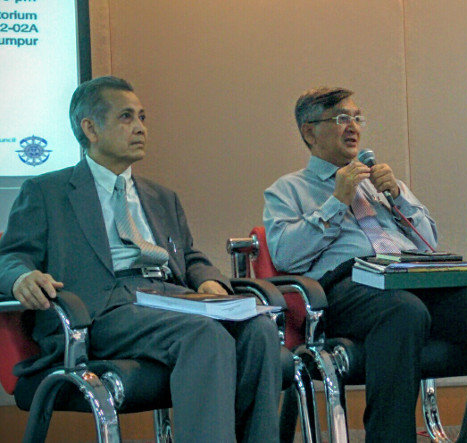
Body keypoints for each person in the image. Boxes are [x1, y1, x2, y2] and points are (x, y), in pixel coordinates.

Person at [0, 76, 281, 442]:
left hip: (169, 297)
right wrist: (22, 277)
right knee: (204, 335)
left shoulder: (161, 196)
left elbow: (190, 254)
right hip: (103, 307)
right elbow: (10, 256)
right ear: (90, 128)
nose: (141, 128)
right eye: (126, 117)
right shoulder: (46, 191)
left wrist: (207, 280)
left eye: (143, 118)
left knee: (258, 330)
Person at [263, 86, 467, 442]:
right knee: (403, 311)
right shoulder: (287, 190)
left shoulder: (378, 184)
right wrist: (337, 200)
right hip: (347, 288)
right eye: (340, 118)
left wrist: (398, 194)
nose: (353, 126)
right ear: (308, 131)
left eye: (356, 117)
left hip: (408, 275)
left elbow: (429, 240)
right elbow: (287, 255)